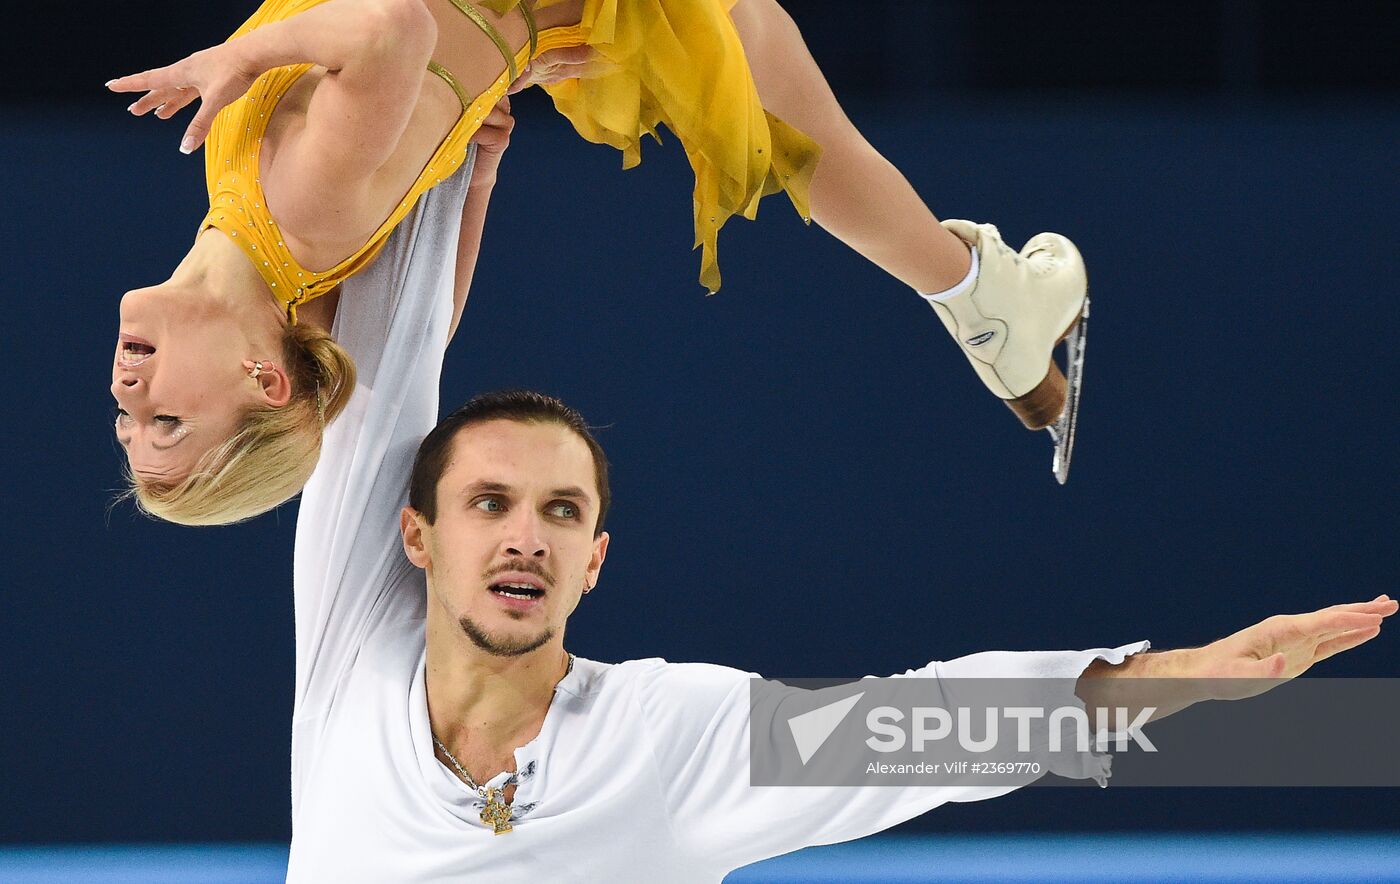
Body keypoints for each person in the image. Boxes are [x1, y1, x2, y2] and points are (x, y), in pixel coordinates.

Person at [285, 112, 1396, 878]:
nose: (526, 535)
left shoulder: (668, 733)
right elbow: (381, 366)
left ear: (595, 560)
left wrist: (1180, 675)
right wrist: (449, 161)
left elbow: (925, 729)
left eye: (561, 512)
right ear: (414, 534)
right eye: (490, 503)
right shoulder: (352, 650)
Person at [108, 0, 1089, 527]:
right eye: (165, 416)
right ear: (261, 376)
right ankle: (978, 298)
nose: (127, 386)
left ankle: (978, 299)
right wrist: (230, 58)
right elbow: (389, 26)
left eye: (128, 416)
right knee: (767, 74)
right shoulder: (297, 214)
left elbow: (415, 338)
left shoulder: (280, 264)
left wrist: (477, 161)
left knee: (767, 69)